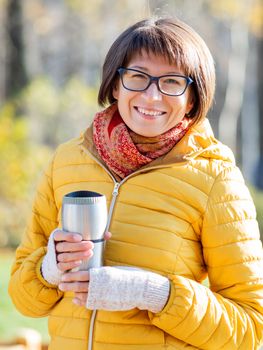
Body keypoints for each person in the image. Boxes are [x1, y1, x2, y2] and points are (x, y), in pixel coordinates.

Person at [8, 17, 263, 350]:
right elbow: (25, 301)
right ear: (115, 85)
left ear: (192, 97)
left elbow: (250, 329)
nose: (152, 95)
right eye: (138, 77)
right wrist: (50, 269)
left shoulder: (216, 179)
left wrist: (153, 293)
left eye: (172, 82)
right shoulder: (66, 161)